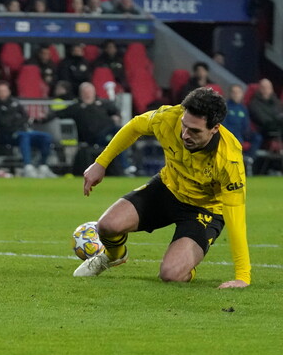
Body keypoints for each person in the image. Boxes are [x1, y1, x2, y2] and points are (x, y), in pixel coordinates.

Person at [75, 88, 250, 289]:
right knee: (107, 226)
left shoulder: (229, 160)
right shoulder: (169, 117)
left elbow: (236, 217)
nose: (185, 134)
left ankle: (184, 268)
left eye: (194, 131)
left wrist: (242, 276)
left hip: (204, 210)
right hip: (167, 189)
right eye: (185, 126)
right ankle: (113, 256)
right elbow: (135, 126)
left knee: (170, 274)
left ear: (215, 128)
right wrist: (101, 163)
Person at [0, 81, 56, 178]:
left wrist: (13, 119)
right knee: (24, 137)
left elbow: (25, 117)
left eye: (5, 91)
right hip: (6, 135)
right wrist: (16, 118)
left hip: (22, 131)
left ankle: (43, 166)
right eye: (0, 91)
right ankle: (27, 166)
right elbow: (3, 123)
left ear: (9, 92)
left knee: (46, 137)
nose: (3, 93)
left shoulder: (15, 103)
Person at [224, 84, 261, 165]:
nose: (236, 95)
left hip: (242, 135)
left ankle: (249, 157)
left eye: (238, 92)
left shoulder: (243, 108)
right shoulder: (225, 107)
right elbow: (223, 125)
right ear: (230, 94)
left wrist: (246, 134)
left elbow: (246, 125)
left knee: (257, 137)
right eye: (234, 92)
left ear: (242, 94)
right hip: (230, 136)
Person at [247, 78, 283, 144]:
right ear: (259, 89)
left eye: (269, 87)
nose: (266, 90)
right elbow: (262, 120)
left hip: (278, 128)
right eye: (263, 87)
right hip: (263, 129)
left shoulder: (277, 102)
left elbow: (280, 114)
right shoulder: (254, 103)